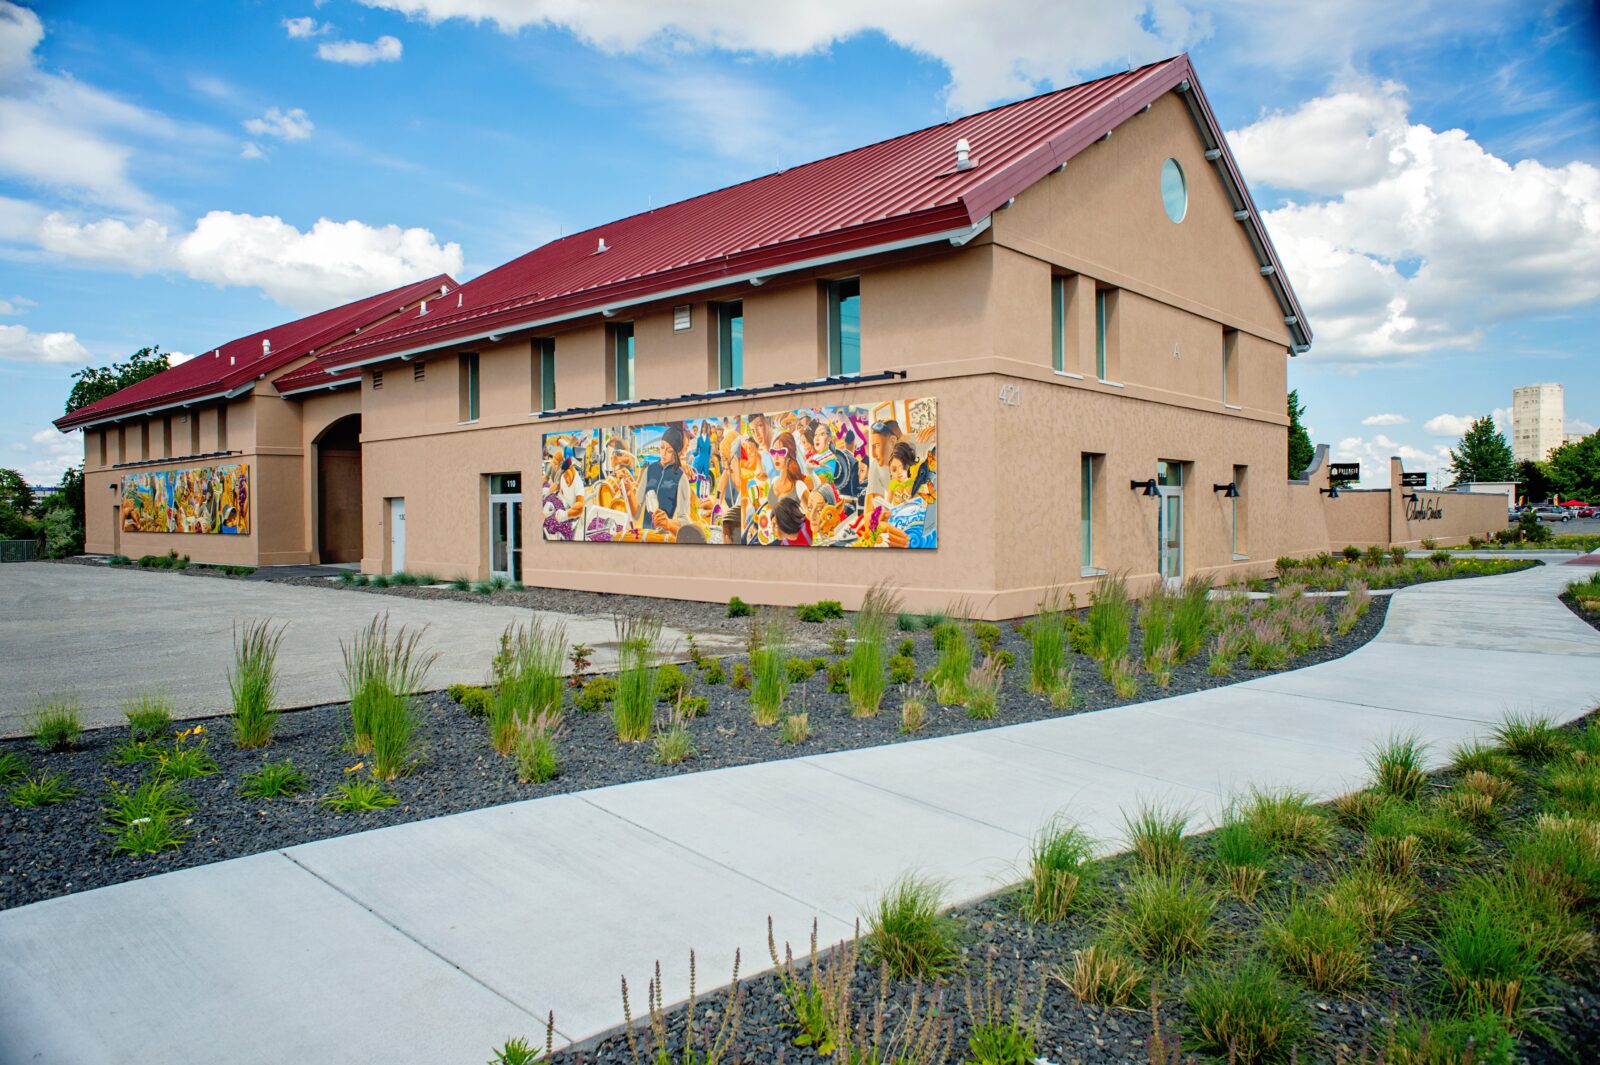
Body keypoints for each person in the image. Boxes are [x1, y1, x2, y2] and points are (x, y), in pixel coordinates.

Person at [642, 425, 694, 536]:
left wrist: (668, 523)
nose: (664, 453)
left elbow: (685, 520)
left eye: (669, 450)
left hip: (664, 537)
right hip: (646, 535)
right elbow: (637, 506)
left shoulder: (680, 476)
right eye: (661, 447)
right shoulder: (651, 469)